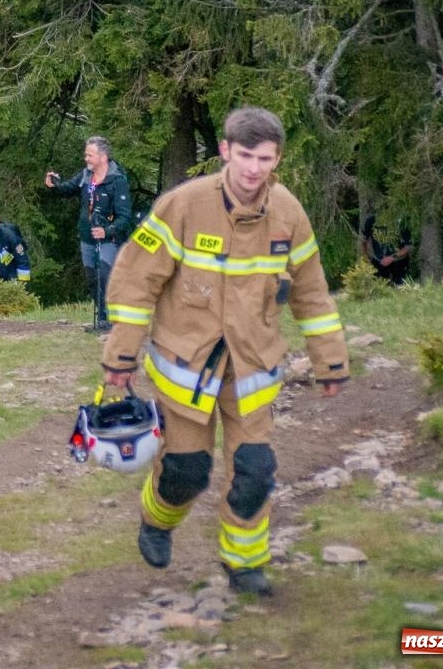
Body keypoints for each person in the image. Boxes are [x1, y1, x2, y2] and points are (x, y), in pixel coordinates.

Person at [101, 105, 349, 597]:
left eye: (265, 158)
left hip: (253, 372)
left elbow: (312, 294)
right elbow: (134, 283)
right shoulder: (184, 205)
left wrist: (331, 362)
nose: (254, 169)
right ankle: (157, 519)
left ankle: (244, 563)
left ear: (276, 159)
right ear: (225, 152)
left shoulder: (289, 215)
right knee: (186, 473)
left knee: (255, 474)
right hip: (184, 371)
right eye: (245, 156)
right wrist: (120, 359)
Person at [46, 137, 133, 333]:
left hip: (109, 239)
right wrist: (53, 186)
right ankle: (102, 318)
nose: (86, 158)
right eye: (86, 154)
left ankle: (112, 320)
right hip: (87, 237)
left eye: (89, 155)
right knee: (92, 278)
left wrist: (107, 230)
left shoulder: (117, 179)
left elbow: (125, 217)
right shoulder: (86, 175)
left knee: (105, 275)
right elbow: (67, 189)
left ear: (103, 157)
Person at [361, 214, 413, 284]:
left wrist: (391, 258)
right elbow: (364, 241)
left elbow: (408, 247)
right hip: (378, 262)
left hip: (398, 262)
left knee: (400, 289)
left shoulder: (402, 221)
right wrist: (366, 257)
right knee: (379, 289)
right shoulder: (371, 220)